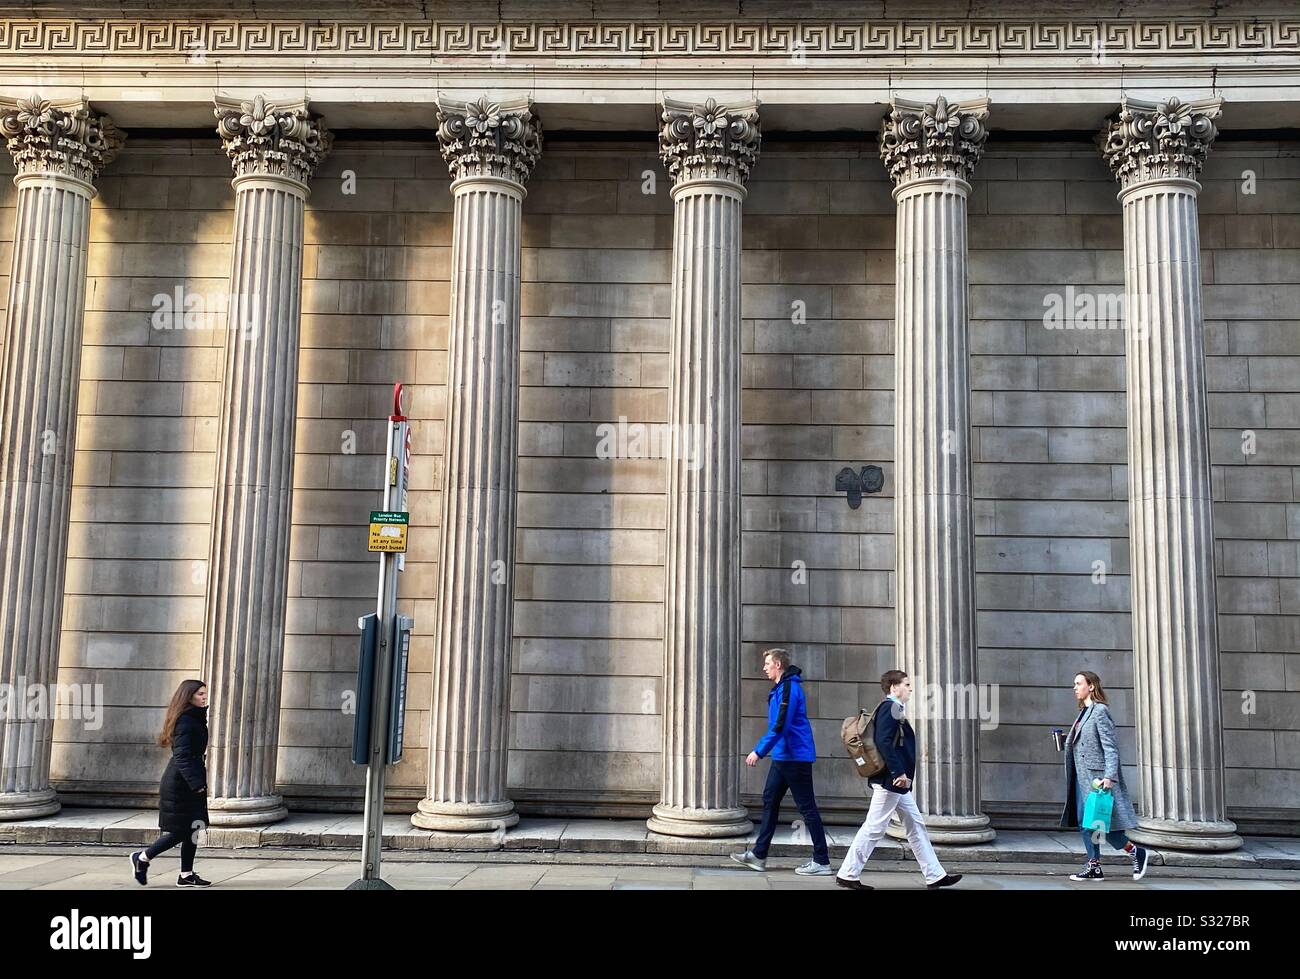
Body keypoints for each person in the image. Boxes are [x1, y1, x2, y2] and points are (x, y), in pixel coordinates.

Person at [836, 670, 962, 890]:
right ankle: (848, 873)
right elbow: (884, 742)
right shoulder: (891, 708)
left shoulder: (893, 708)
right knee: (874, 828)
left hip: (895, 782)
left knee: (915, 826)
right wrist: (898, 773)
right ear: (894, 687)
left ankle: (935, 875)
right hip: (891, 781)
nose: (910, 688)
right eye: (906, 684)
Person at [730, 648, 832, 876]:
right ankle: (759, 855)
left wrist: (758, 751)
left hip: (795, 758)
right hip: (783, 757)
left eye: (767, 663)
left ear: (778, 664)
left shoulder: (789, 688)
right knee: (770, 800)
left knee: (807, 808)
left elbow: (780, 725)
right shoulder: (780, 688)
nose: (764, 668)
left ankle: (822, 860)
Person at [1060, 671, 1149, 881]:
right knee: (1085, 822)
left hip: (1097, 778)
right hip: (1082, 777)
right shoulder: (1083, 712)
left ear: (1091, 686)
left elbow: (1110, 747)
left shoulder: (1100, 711)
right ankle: (1094, 866)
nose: (1074, 688)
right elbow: (1084, 742)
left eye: (1078, 683)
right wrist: (1067, 741)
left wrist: (1110, 776)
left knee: (1100, 823)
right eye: (1074, 684)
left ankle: (1137, 852)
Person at [131, 679, 213, 887]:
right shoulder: (186, 721)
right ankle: (141, 858)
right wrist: (196, 784)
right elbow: (182, 756)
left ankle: (186, 875)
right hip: (181, 783)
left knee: (195, 828)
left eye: (205, 693)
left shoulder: (194, 717)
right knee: (180, 831)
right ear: (189, 697)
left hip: (190, 778)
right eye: (200, 694)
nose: (204, 697)